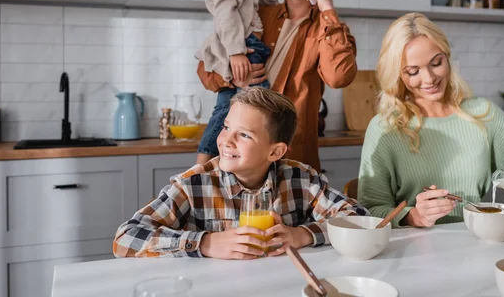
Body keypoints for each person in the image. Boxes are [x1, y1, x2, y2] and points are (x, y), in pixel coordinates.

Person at [358, 13, 504, 228]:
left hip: (475, 242)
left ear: (447, 56)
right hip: (412, 251)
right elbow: (371, 210)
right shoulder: (385, 128)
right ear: (398, 75)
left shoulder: (483, 114)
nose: (429, 78)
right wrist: (413, 216)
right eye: (413, 71)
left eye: (436, 63)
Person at [113, 87, 367, 259]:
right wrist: (206, 243)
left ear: (275, 152)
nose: (225, 141)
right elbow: (126, 237)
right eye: (226, 127)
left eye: (244, 134)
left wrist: (303, 234)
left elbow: (358, 218)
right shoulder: (194, 184)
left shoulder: (300, 179)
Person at [197, 0, 357, 171]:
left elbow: (339, 76)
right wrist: (233, 75)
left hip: (293, 161)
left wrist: (326, 8)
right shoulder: (258, 14)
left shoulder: (330, 28)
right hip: (241, 161)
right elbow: (204, 70)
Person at [195, 0, 278, 163]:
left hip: (250, 47)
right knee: (253, 106)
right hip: (243, 47)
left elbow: (271, 6)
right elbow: (225, 17)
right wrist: (236, 52)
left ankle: (213, 159)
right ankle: (204, 160)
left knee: (233, 110)